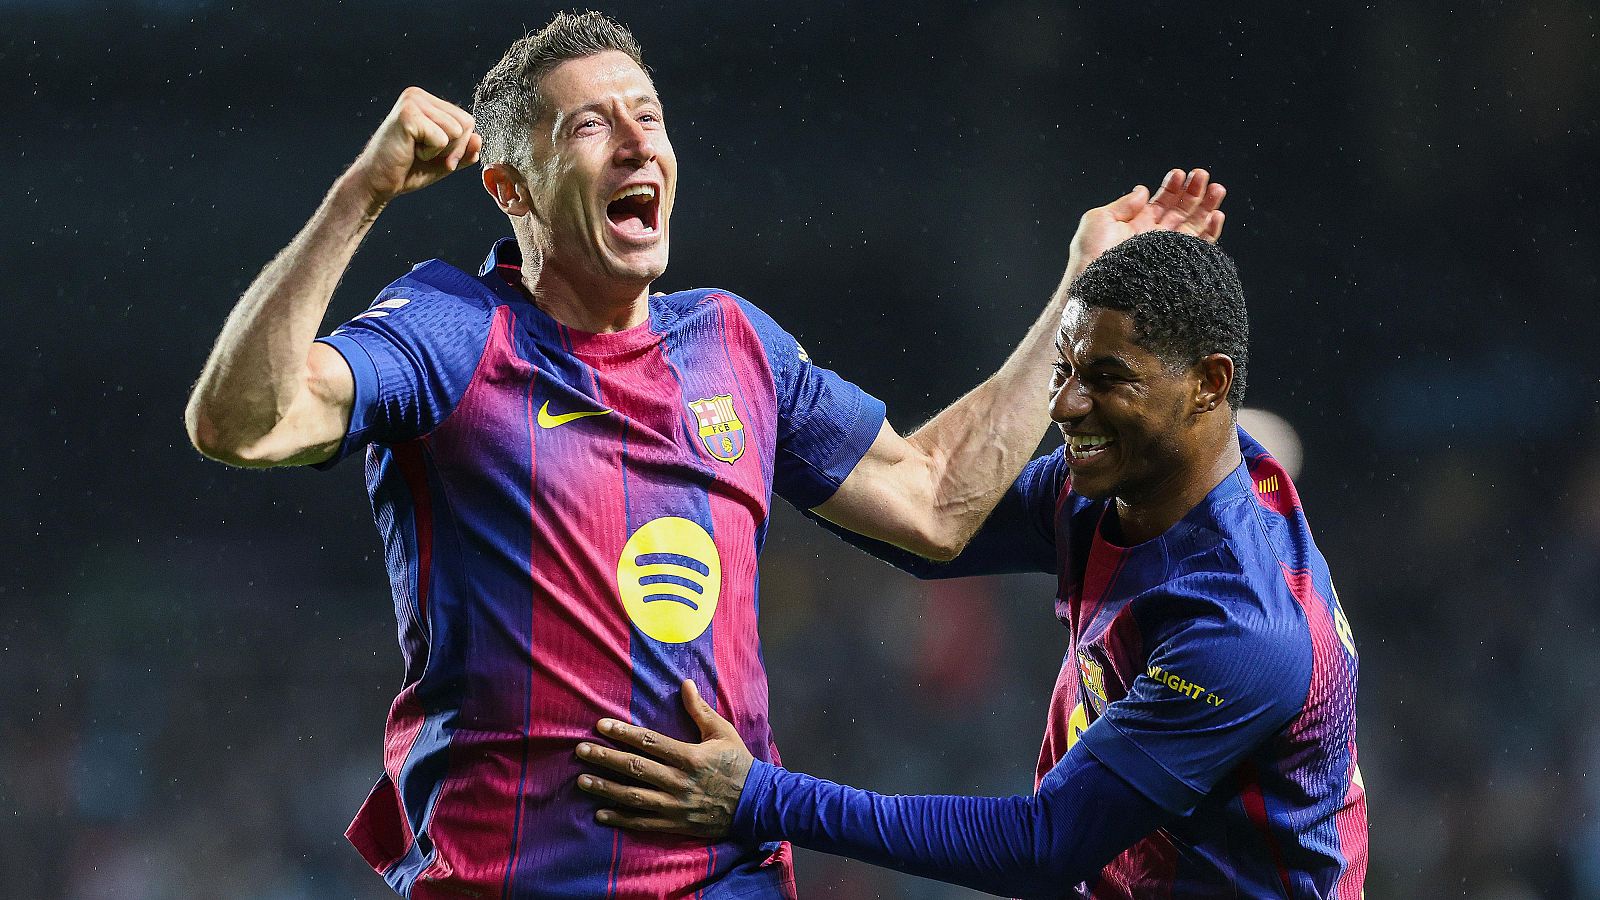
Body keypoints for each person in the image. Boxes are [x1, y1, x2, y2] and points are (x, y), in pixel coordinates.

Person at [182, 10, 1225, 899]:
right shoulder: (454, 331)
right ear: (510, 188)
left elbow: (935, 498)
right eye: (591, 125)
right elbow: (241, 423)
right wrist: (360, 193)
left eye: (650, 117)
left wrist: (1084, 290)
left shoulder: (732, 344)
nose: (638, 143)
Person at [574, 231, 1366, 897]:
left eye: (1107, 380)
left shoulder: (1242, 631)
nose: (1064, 407)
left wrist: (759, 798)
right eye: (1065, 370)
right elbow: (924, 522)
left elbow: (1044, 845)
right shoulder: (1117, 489)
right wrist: (756, 422)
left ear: (1209, 385)